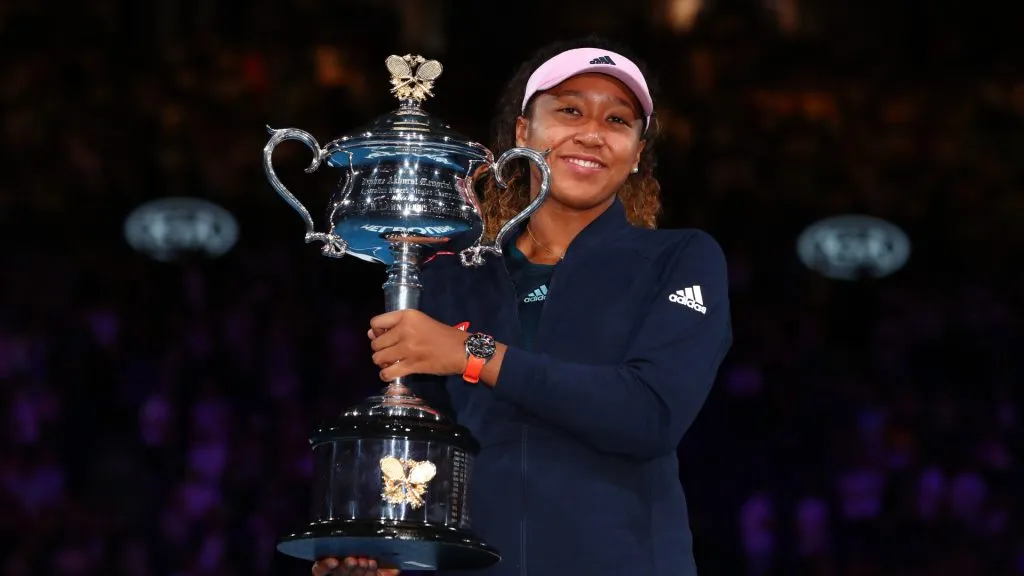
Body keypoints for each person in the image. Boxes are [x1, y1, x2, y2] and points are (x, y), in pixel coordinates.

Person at [313, 36, 732, 576]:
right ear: (522, 133)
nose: (592, 133)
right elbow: (425, 457)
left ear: (636, 156)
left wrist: (472, 354)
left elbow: (648, 416)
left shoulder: (680, 258)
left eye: (618, 121)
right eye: (570, 110)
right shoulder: (450, 275)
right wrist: (386, 545)